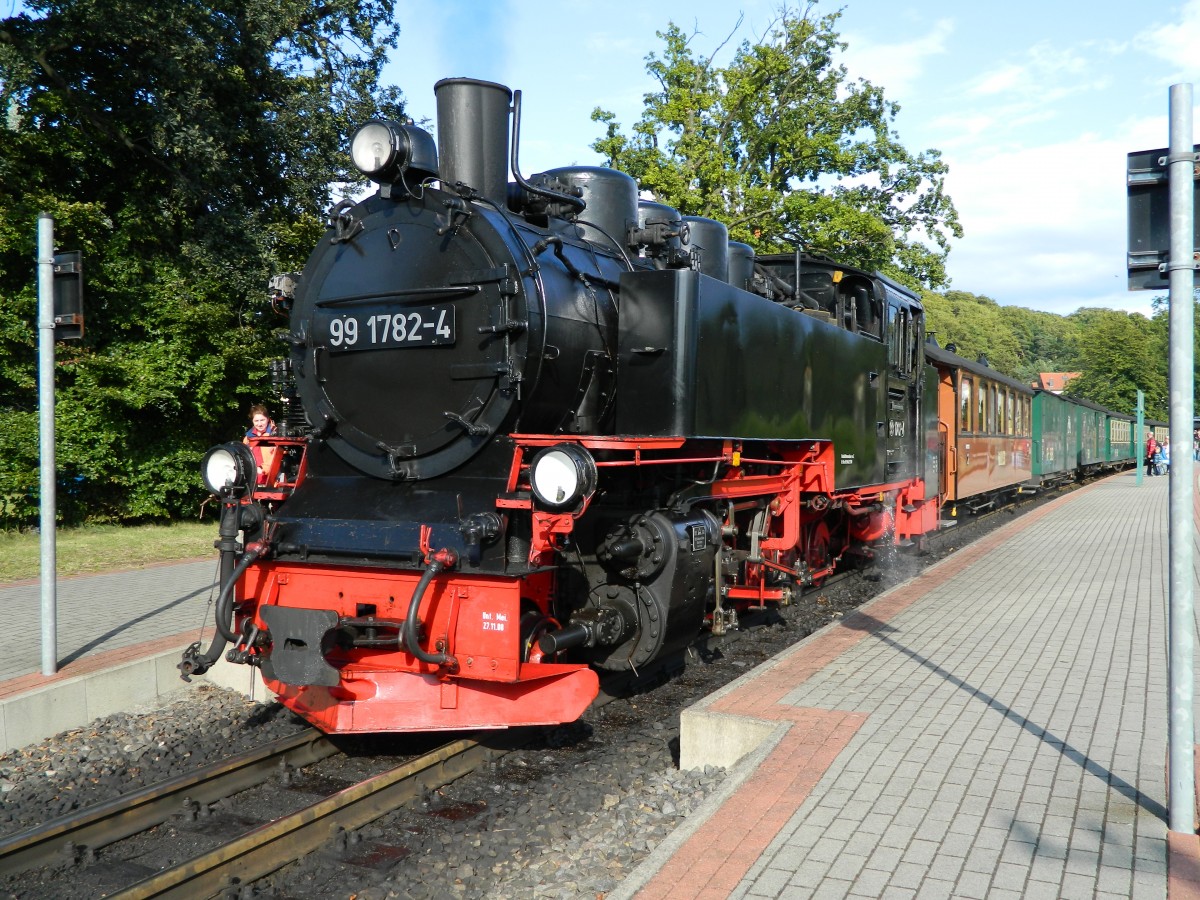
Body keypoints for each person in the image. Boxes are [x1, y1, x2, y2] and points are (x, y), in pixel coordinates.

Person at [244, 404, 278, 484]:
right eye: (256, 421)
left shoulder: (276, 435)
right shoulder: (248, 438)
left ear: (268, 419)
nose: (259, 424)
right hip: (251, 480)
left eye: (262, 420)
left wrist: (262, 469)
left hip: (271, 481)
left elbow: (277, 458)